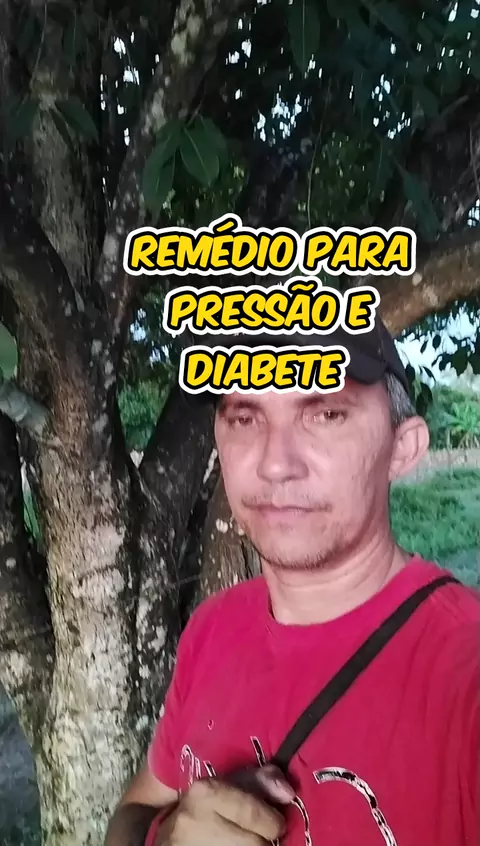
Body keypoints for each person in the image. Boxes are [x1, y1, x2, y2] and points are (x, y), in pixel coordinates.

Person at [105, 318, 479, 846]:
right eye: (245, 417)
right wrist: (164, 836)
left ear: (402, 447)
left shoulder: (461, 673)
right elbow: (135, 810)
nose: (276, 464)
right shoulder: (214, 628)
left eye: (325, 414)